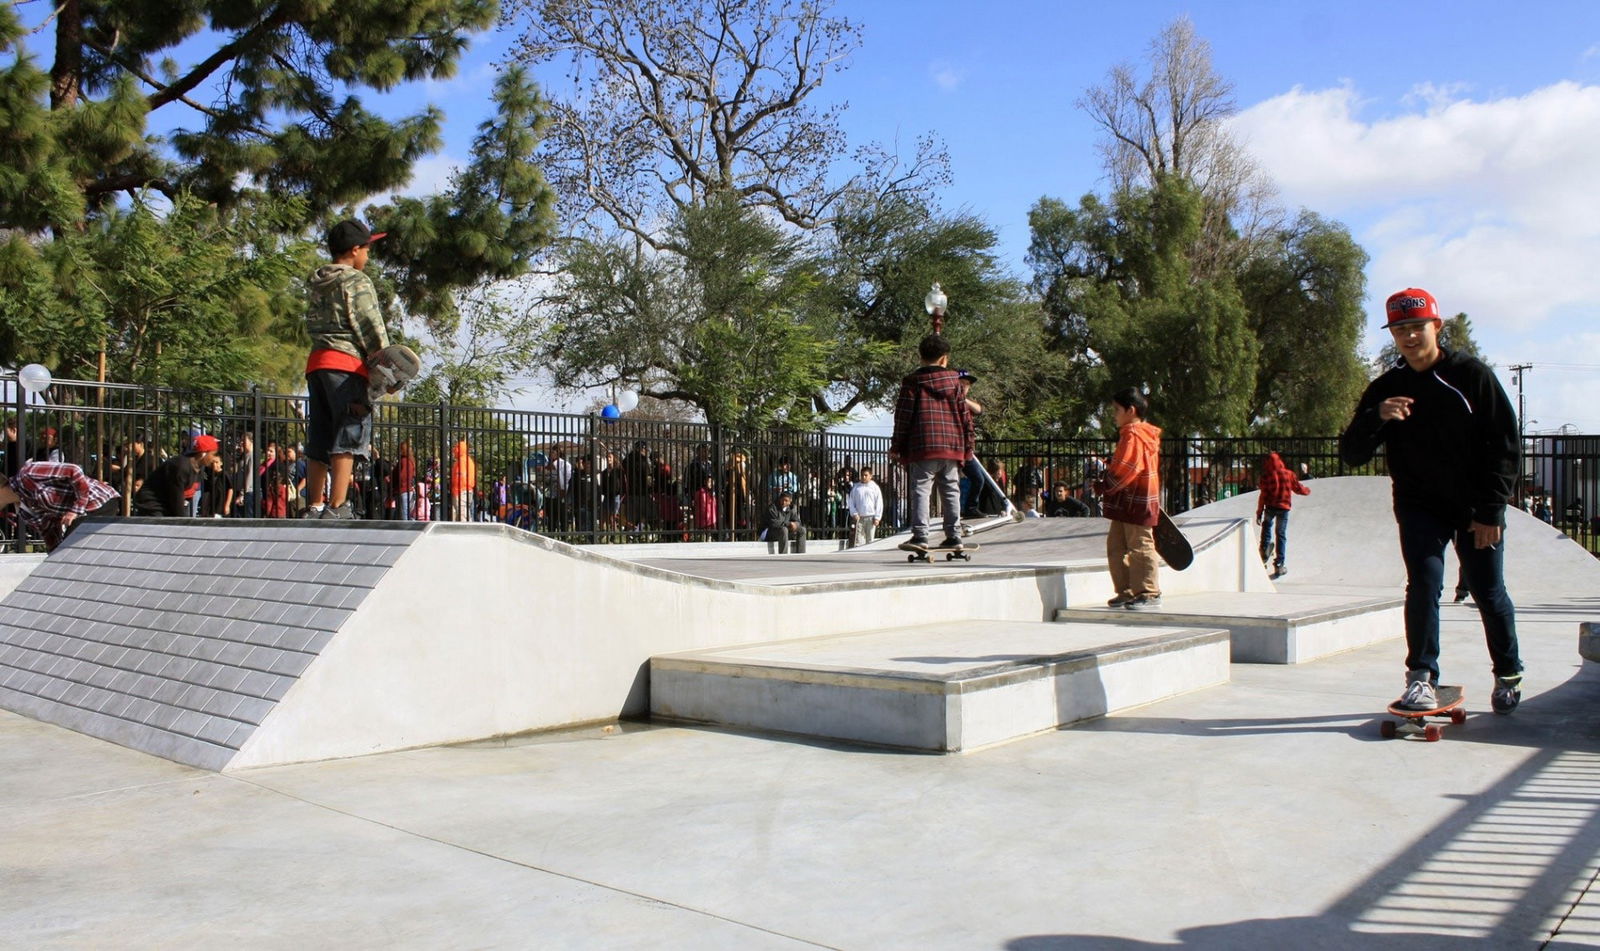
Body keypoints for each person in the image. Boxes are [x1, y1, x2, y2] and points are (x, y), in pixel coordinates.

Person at [1339, 287, 1523, 714]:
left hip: (1475, 506)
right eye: (1400, 329)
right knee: (1423, 585)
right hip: (1420, 506)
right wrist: (1375, 417)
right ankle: (1421, 677)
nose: (1409, 337)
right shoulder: (1387, 388)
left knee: (1486, 589)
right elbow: (1351, 453)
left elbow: (1506, 444)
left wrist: (1491, 508)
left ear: (1436, 327)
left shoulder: (1471, 376)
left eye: (1417, 327)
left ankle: (1508, 672)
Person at [303, 218, 390, 520]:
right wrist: (386, 367)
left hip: (317, 364)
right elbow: (369, 325)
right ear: (355, 250)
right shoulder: (356, 280)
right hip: (347, 365)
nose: (368, 256)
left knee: (320, 433)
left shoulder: (317, 282)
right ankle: (338, 506)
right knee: (350, 430)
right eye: (367, 249)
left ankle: (314, 506)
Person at [890, 334, 973, 552]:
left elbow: (903, 416)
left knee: (921, 490)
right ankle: (954, 536)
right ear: (944, 358)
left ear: (921, 356)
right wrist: (968, 446)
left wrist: (897, 446)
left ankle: (920, 536)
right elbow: (965, 416)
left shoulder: (912, 383)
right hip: (952, 445)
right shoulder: (955, 383)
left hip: (923, 445)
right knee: (950, 490)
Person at [1096, 388, 1162, 609]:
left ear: (1130, 410)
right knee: (1116, 546)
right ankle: (1125, 591)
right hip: (1128, 501)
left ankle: (1148, 592)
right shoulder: (1134, 433)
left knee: (1140, 545)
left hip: (1137, 500)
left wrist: (1106, 484)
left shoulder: (1133, 434)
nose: (1113, 414)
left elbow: (1128, 468)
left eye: (1116, 410)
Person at [1, 459, 120, 551]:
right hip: (82, 514)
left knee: (72, 548)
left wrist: (75, 510)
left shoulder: (27, 474)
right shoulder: (24, 512)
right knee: (66, 551)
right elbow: (50, 530)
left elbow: (74, 470)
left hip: (99, 500)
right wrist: (54, 557)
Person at [1254, 451, 1311, 579]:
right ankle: (1279, 564)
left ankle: (1264, 548)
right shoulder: (1289, 474)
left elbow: (1263, 496)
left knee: (1266, 526)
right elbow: (1298, 488)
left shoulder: (1266, 476)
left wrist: (1259, 512)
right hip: (1284, 508)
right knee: (1281, 534)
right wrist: (1307, 491)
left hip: (1270, 507)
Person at [133, 434, 221, 517]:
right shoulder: (181, 467)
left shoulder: (198, 468)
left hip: (167, 506)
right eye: (212, 454)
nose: (213, 459)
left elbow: (182, 499)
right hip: (153, 505)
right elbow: (176, 500)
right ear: (203, 453)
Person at [846, 465, 884, 548]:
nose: (863, 477)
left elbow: (879, 503)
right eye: (862, 475)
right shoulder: (856, 488)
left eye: (866, 475)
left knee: (870, 540)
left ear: (871, 476)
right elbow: (851, 501)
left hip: (871, 518)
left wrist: (877, 517)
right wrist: (854, 513)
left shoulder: (875, 488)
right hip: (859, 518)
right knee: (858, 540)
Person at [763, 489, 807, 554]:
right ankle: (783, 554)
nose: (784, 502)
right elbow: (774, 523)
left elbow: (798, 521)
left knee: (802, 529)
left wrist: (795, 524)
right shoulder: (772, 508)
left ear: (790, 501)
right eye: (782, 500)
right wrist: (789, 524)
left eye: (786, 501)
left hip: (786, 531)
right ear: (779, 499)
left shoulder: (792, 508)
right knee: (784, 529)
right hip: (772, 532)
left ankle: (801, 553)